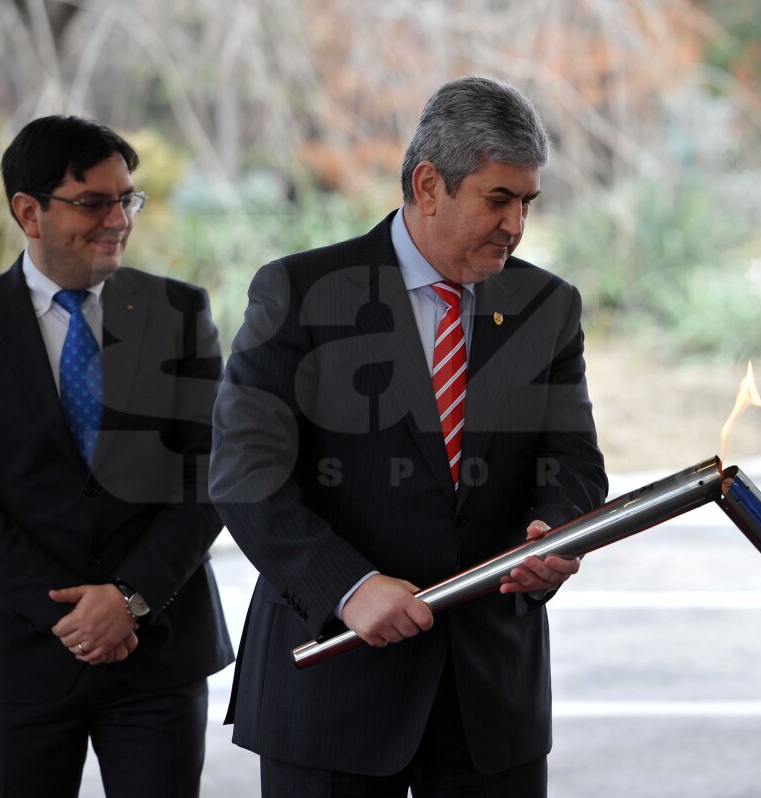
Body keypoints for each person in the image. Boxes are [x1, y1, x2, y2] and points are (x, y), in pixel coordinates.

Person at [209, 76, 608, 797]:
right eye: (498, 199)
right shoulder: (298, 294)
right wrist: (349, 588)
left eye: (527, 203)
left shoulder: (547, 305)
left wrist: (554, 529)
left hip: (491, 703)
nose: (517, 226)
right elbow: (244, 471)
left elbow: (571, 459)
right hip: (333, 684)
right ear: (429, 185)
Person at [0, 115, 234, 798]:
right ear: (28, 210)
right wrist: (69, 614)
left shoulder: (179, 311)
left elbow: (211, 472)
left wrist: (129, 598)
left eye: (127, 199)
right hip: (17, 654)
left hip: (157, 651)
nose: (118, 219)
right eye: (93, 202)